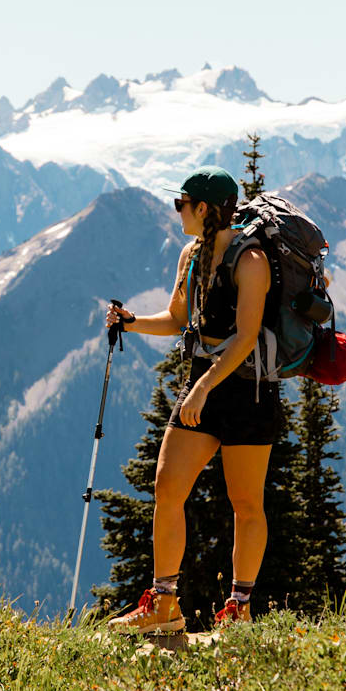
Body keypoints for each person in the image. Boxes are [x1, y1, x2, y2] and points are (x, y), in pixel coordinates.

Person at [105, 165, 277, 634]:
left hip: (247, 392)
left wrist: (202, 387)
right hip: (203, 385)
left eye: (181, 203)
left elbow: (244, 338)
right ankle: (164, 605)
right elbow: (180, 318)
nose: (177, 210)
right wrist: (132, 322)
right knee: (167, 487)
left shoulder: (252, 262)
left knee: (246, 504)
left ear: (204, 209)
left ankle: (239, 609)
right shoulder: (191, 256)